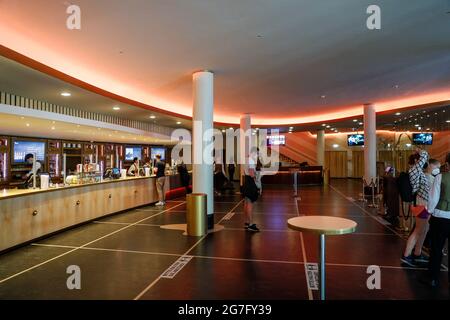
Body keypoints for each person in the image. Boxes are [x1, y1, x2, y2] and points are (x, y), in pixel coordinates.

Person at [401, 148, 430, 266]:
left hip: (424, 204)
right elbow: (424, 156)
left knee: (424, 229)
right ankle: (406, 255)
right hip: (420, 204)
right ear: (417, 160)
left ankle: (417, 252)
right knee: (418, 230)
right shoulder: (414, 170)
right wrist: (421, 151)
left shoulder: (417, 171)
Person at [428, 152, 450, 287]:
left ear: (447, 164)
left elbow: (433, 199)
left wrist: (429, 211)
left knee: (436, 249)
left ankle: (433, 278)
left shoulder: (440, 177)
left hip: (440, 217)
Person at [242, 147, 260, 232]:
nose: (258, 155)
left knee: (246, 202)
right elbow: (252, 174)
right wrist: (256, 177)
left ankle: (246, 222)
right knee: (249, 203)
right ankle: (250, 224)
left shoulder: (246, 160)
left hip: (246, 181)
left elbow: (246, 171)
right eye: (257, 153)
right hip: (250, 182)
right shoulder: (251, 160)